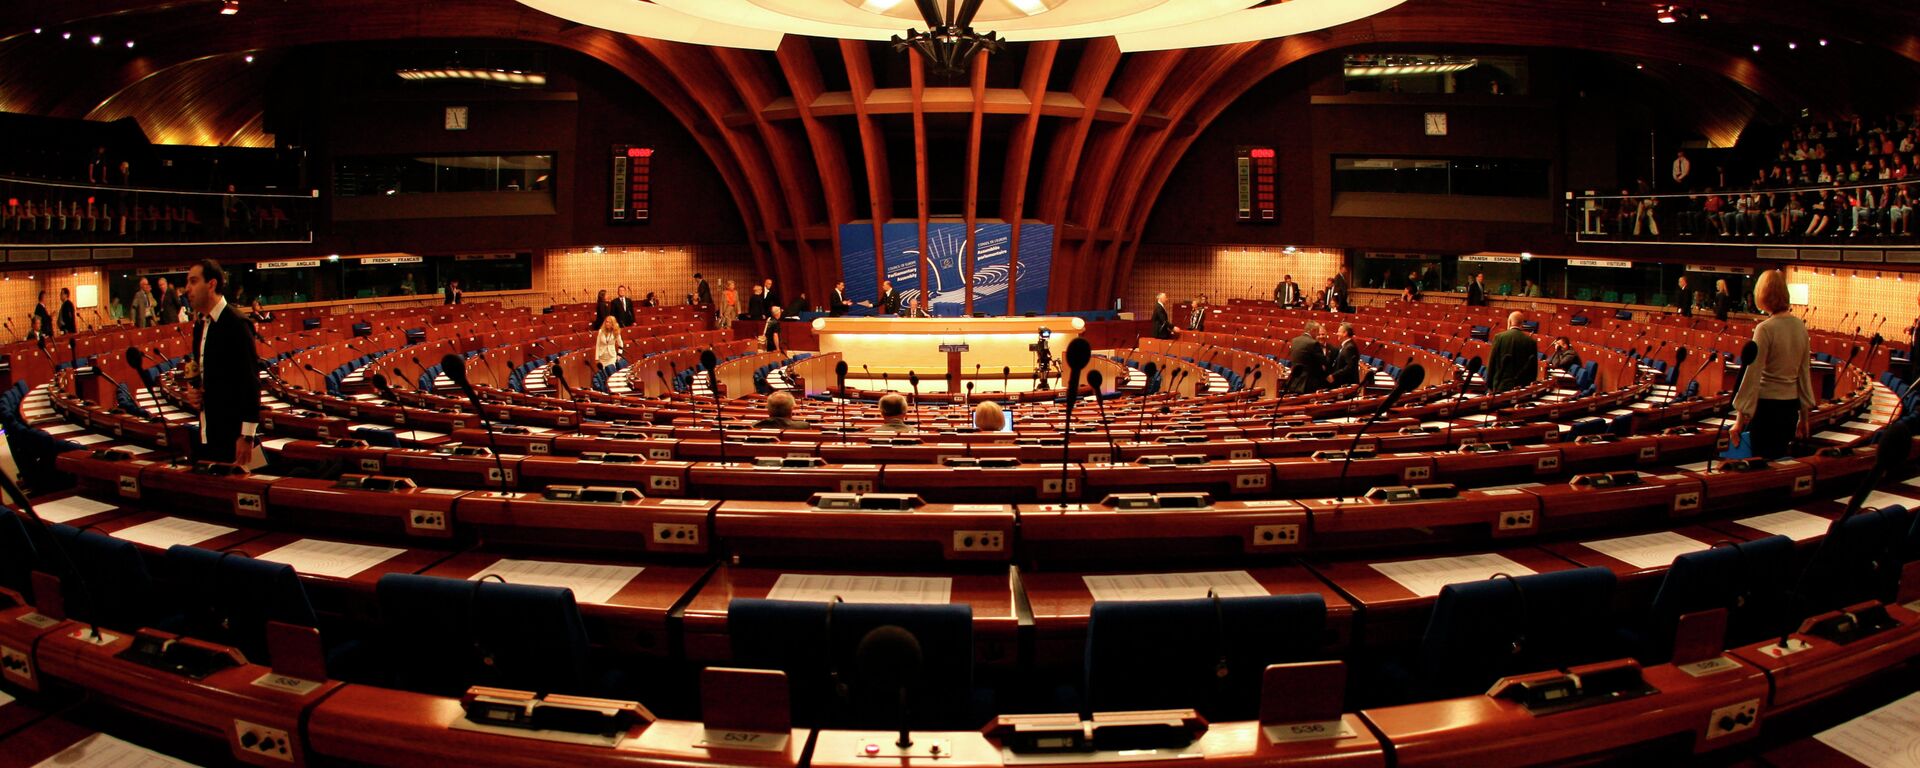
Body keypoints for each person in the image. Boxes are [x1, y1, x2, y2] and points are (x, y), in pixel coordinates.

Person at [183, 258, 261, 465]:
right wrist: (194, 392)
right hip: (209, 430)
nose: (186, 289)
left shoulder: (237, 323)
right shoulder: (200, 325)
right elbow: (205, 375)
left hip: (236, 437)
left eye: (193, 281)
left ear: (211, 284)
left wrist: (247, 437)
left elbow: (251, 383)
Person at [1731, 270, 1814, 459]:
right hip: (1790, 410)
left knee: (1761, 464)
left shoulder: (1765, 328)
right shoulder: (1800, 326)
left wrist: (1739, 421)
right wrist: (1804, 417)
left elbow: (1753, 375)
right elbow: (1804, 373)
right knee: (1779, 462)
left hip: (1767, 409)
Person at [1486, 311, 1538, 394]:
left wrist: (1489, 385)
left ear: (1509, 322)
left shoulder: (1499, 337)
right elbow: (1533, 369)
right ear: (1522, 323)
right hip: (1521, 387)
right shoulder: (1531, 342)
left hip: (1500, 385)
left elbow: (1491, 363)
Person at [1285, 322, 1328, 394]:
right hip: (1308, 384)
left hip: (1294, 381)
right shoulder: (1313, 343)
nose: (1318, 335)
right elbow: (1323, 362)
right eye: (1317, 331)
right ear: (1312, 330)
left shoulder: (1295, 340)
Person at [1329, 322, 1359, 387]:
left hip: (1346, 384)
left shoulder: (1349, 347)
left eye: (1339, 331)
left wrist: (1333, 376)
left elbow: (1349, 367)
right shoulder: (1346, 345)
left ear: (1345, 333)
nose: (1337, 334)